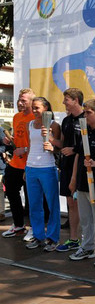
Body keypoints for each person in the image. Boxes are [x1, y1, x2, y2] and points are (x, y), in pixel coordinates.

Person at [68, 99, 95, 267]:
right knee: (85, 219)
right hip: (82, 183)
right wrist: (73, 179)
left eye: (88, 112)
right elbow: (78, 155)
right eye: (84, 112)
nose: (84, 115)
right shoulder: (84, 131)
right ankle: (87, 248)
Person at [25, 97, 61, 251]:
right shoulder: (30, 125)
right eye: (33, 108)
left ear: (46, 108)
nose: (34, 111)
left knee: (52, 205)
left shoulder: (54, 125)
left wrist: (52, 144)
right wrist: (26, 169)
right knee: (34, 205)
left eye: (37, 108)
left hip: (47, 168)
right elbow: (31, 146)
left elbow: (60, 147)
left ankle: (52, 238)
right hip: (31, 168)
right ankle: (39, 236)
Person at [2, 89, 35, 238]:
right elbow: (18, 138)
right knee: (10, 189)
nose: (20, 103)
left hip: (32, 163)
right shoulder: (16, 117)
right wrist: (10, 141)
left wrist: (25, 149)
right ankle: (19, 225)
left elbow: (41, 142)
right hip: (16, 163)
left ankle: (35, 229)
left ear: (32, 102)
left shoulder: (36, 117)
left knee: (32, 199)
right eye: (19, 100)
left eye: (24, 100)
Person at [55, 88, 84, 252]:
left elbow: (89, 145)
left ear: (75, 100)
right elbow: (62, 144)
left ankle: (88, 240)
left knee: (84, 204)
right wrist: (50, 139)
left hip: (81, 167)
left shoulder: (86, 118)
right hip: (66, 166)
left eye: (66, 99)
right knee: (71, 203)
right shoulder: (66, 120)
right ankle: (73, 239)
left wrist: (74, 150)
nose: (63, 102)